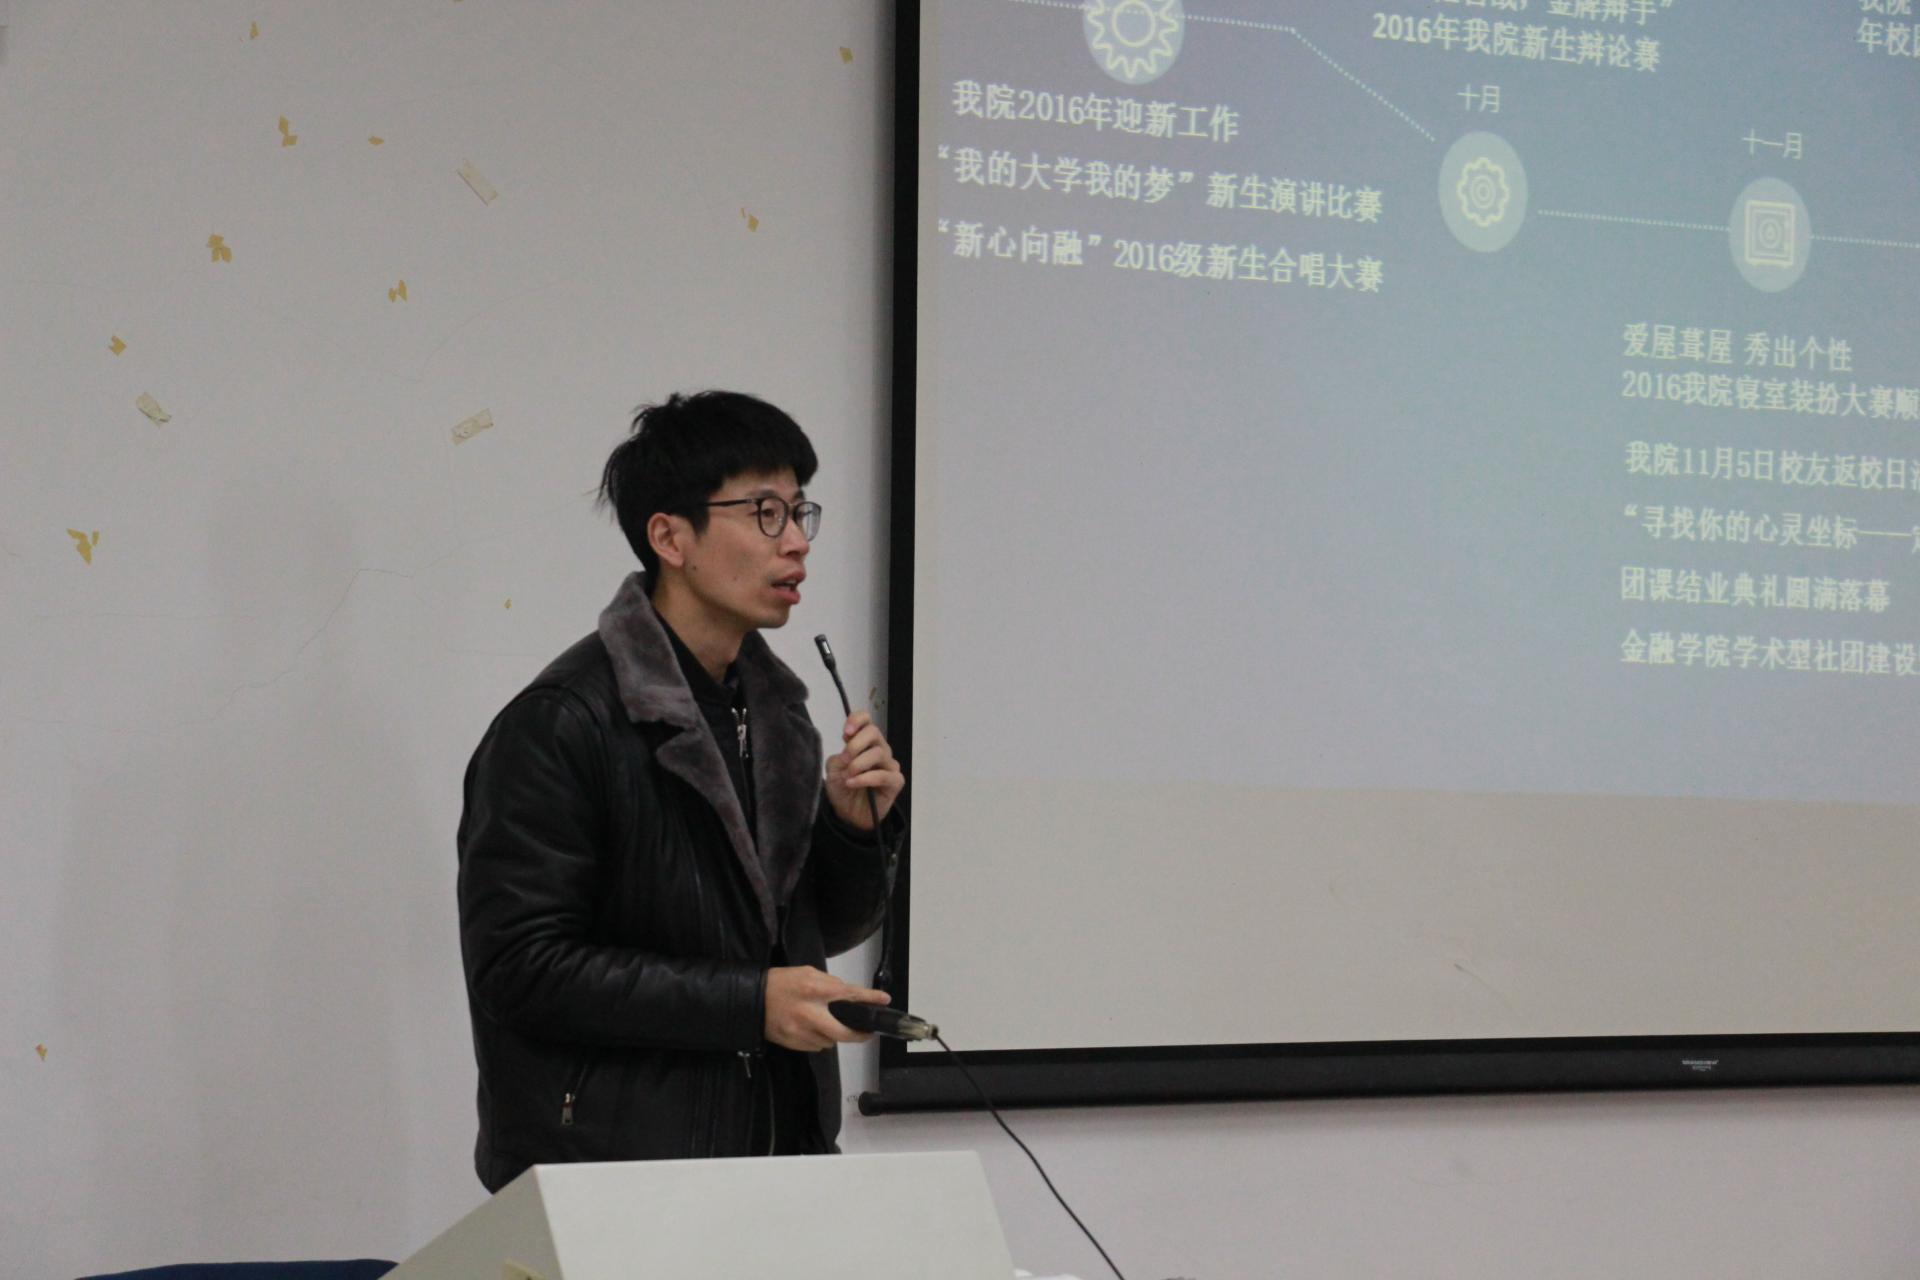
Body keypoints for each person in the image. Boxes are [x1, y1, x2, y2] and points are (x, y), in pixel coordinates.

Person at [456, 390, 905, 1192]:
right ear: (669, 537)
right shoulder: (562, 722)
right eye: (765, 512)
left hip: (778, 1166)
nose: (797, 541)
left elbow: (807, 934)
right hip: (613, 1181)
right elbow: (520, 968)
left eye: (800, 510)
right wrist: (749, 1004)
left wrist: (851, 829)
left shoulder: (777, 714)